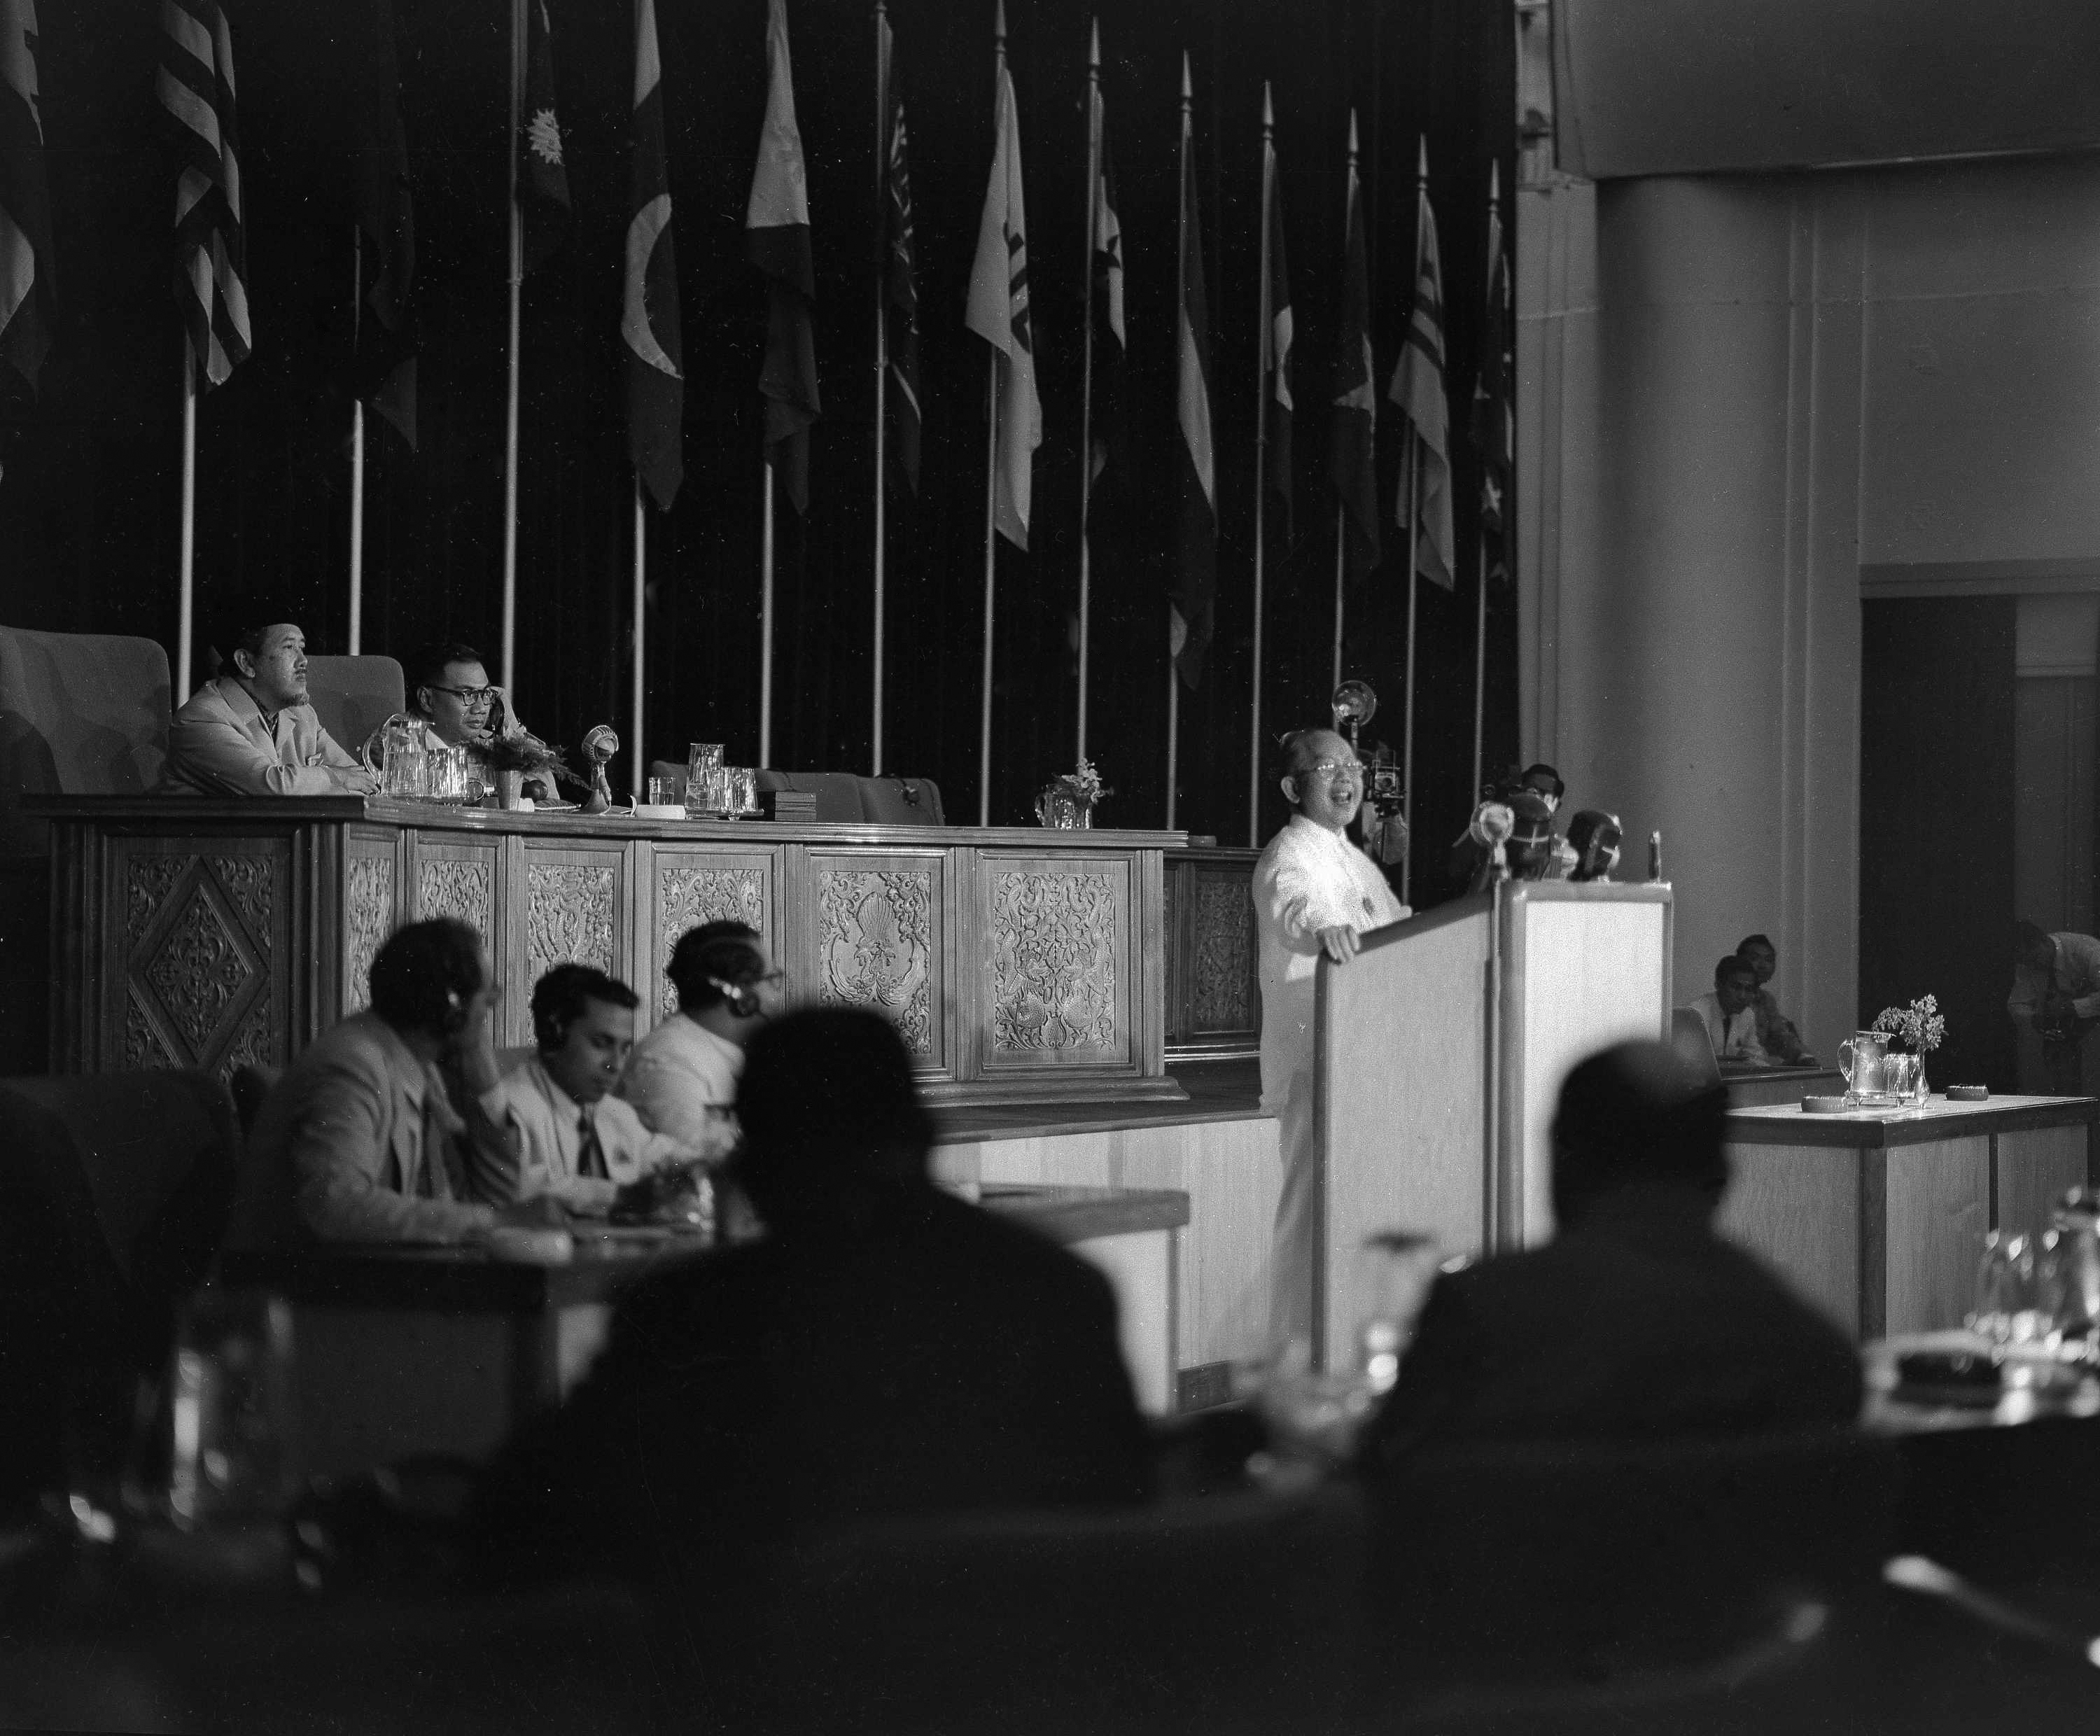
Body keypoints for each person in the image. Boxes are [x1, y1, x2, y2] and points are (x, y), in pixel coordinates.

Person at [468, 1006, 1153, 1590]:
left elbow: (524, 1517)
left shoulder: (685, 1313)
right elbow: (1119, 1540)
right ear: (922, 1139)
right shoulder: (1055, 1292)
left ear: (756, 1165)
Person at [1358, 1040, 1861, 1469]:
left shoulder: (1476, 1312)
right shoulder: (1811, 1349)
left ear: (1561, 1163)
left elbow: (1384, 1482)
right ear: (1721, 1176)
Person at [1254, 728, 1410, 1352]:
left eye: (1354, 766)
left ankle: (1346, 1352)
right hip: (1317, 1058)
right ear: (1295, 787)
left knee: (1356, 1214)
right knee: (1310, 1216)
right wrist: (1328, 927)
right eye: (1328, 767)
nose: (1348, 778)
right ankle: (1294, 1358)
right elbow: (1294, 905)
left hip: (1367, 1055)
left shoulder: (1355, 857)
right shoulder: (1289, 852)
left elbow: (1397, 927)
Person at [229, 918, 517, 1245]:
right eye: (487, 998)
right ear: (451, 1008)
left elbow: (494, 1199)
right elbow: (333, 1204)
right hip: (289, 1289)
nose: (489, 1011)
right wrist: (492, 1220)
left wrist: (488, 1090)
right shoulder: (354, 1065)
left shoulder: (421, 1069)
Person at [475, 965, 693, 1213]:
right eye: (602, 1044)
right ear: (553, 1034)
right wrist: (622, 1195)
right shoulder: (510, 1109)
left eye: (624, 1049)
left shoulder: (615, 1113)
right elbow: (520, 1187)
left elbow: (666, 1157)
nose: (617, 1065)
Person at [160, 610, 378, 797]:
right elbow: (272, 787)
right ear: (246, 662)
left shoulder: (303, 715)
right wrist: (335, 777)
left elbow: (363, 782)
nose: (304, 661)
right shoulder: (201, 717)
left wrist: (336, 781)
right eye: (289, 648)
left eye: (302, 647)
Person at [619, 919, 779, 1161]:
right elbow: (702, 1168)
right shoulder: (668, 1061)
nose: (778, 995)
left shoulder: (745, 1053)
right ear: (743, 993)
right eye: (773, 980)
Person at [365, 640, 553, 802]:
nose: (481, 708)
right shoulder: (397, 739)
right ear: (427, 700)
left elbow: (551, 799)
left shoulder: (483, 743)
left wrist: (512, 728)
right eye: (468, 695)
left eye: (486, 694)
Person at [2008, 920, 2100, 1093]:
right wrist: (2034, 1017)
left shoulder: (2087, 950)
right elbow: (2017, 1003)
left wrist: (2071, 1007)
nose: (2033, 967)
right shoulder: (2028, 964)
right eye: (2027, 963)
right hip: (2061, 1044)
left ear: (2044, 941)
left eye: (2034, 959)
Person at [1735, 933, 1816, 1065]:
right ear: (1740, 961)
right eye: (1755, 958)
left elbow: (1781, 1036)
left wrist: (1804, 1056)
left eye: (1768, 960)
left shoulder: (1766, 999)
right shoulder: (1734, 997)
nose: (1762, 965)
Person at [1686, 954, 1770, 1067]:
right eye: (1736, 987)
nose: (1743, 996)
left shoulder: (1747, 1014)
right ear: (1718, 985)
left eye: (1749, 989)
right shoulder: (1697, 1012)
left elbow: (1756, 1056)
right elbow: (1693, 1062)